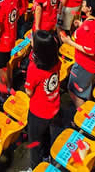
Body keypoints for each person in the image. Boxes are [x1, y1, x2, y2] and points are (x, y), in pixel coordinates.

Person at [59, 0, 95, 109]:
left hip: (85, 65)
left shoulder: (88, 27)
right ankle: (86, 106)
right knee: (85, 88)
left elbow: (90, 51)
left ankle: (82, 116)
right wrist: (81, 25)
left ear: (89, 9)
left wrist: (69, 42)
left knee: (75, 92)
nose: (82, 5)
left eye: (84, 4)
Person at [24, 30, 61, 169]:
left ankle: (34, 167)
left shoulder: (34, 68)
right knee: (45, 134)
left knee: (34, 141)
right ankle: (46, 156)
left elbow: (28, 92)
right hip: (53, 106)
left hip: (39, 111)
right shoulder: (56, 60)